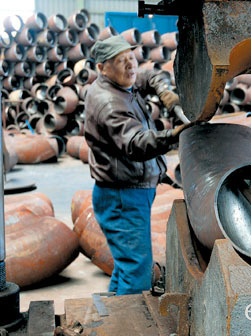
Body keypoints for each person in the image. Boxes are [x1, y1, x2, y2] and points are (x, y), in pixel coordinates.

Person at [84, 35, 189, 295]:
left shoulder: (120, 82)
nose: (130, 66)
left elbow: (145, 75)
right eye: (122, 61)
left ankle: (112, 315)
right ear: (102, 68)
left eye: (132, 58)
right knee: (137, 271)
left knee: (126, 265)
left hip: (130, 191)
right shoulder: (109, 103)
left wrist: (164, 91)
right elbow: (135, 143)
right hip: (122, 196)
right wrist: (173, 136)